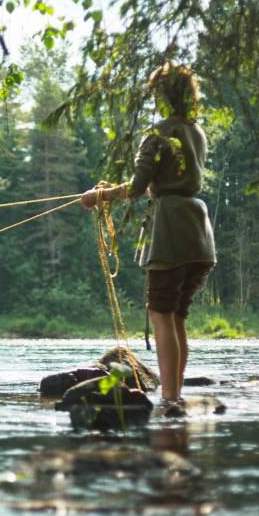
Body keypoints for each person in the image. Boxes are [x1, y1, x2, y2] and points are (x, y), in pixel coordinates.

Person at [80, 63, 216, 412]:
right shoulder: (196, 132)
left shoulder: (158, 133)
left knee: (161, 312)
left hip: (171, 228)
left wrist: (101, 196)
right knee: (177, 315)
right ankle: (175, 394)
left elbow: (139, 188)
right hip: (199, 231)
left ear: (162, 94)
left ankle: (170, 397)